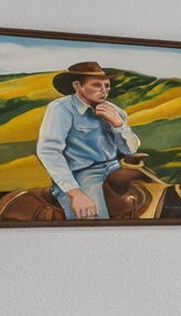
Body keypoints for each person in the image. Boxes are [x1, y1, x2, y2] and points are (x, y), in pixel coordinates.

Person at [35, 61, 141, 219]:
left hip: (114, 168)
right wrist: (75, 194)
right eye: (97, 85)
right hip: (81, 174)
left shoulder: (114, 110)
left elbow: (130, 149)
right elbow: (48, 151)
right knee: (93, 218)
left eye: (107, 86)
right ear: (78, 86)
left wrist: (118, 124)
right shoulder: (60, 108)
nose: (104, 91)